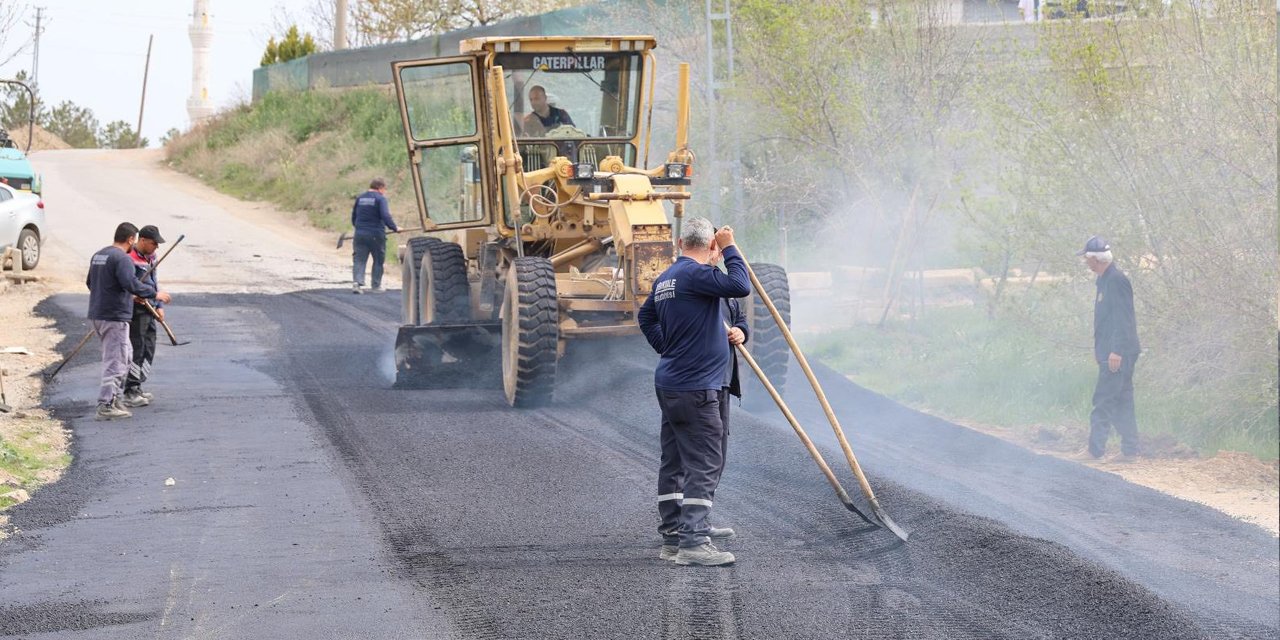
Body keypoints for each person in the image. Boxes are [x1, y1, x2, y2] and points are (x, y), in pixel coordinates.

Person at [638, 218, 751, 567]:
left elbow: (646, 317)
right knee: (704, 460)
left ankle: (675, 533)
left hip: (679, 382)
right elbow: (740, 285)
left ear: (678, 242)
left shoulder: (667, 278)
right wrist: (731, 246)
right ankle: (693, 541)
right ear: (712, 248)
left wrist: (738, 333)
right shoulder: (696, 274)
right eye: (718, 248)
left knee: (675, 460)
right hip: (697, 386)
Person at [86, 223, 166, 421]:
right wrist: (155, 294)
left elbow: (90, 283)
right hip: (114, 317)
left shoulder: (99, 255)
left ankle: (116, 397)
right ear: (131, 239)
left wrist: (115, 296)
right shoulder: (122, 258)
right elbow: (131, 283)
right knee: (116, 360)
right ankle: (106, 404)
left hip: (99, 314)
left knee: (126, 356)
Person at [1077, 236, 1141, 461]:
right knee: (1123, 400)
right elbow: (1105, 320)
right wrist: (1100, 349)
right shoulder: (1103, 280)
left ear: (1096, 259)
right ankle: (1130, 451)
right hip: (1111, 350)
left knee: (1103, 399)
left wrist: (1116, 351)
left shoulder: (1116, 280)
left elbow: (1124, 319)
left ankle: (1094, 451)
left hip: (1119, 352)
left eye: (1087, 258)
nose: (1086, 262)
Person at [122, 225, 170, 408]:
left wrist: (159, 306)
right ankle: (130, 390)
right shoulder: (129, 259)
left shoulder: (152, 258)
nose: (156, 247)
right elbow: (127, 284)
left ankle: (138, 385)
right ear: (142, 240)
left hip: (151, 307)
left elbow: (154, 282)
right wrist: (134, 296)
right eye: (153, 243)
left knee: (149, 347)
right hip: (136, 310)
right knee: (138, 348)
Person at [350, 178, 399, 294]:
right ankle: (375, 286)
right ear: (380, 188)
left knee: (359, 259)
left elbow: (354, 216)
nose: (384, 191)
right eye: (384, 189)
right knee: (378, 260)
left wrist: (359, 228)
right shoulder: (380, 199)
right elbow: (385, 215)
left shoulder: (360, 198)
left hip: (360, 234)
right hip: (376, 234)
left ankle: (357, 283)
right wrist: (395, 228)